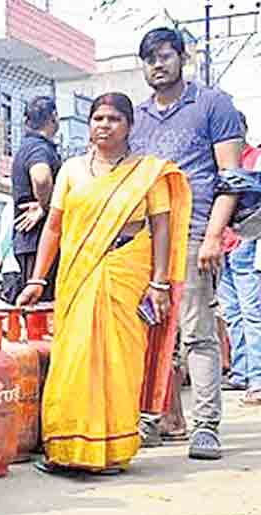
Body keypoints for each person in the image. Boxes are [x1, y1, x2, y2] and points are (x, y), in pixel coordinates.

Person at [18, 93, 191, 475]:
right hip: (78, 273)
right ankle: (66, 450)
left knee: (118, 359)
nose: (104, 125)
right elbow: (54, 226)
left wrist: (160, 283)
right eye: (97, 118)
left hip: (125, 269)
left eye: (113, 118)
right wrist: (36, 278)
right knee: (72, 357)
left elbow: (161, 227)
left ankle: (111, 451)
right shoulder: (71, 171)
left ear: (129, 125)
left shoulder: (147, 172)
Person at [131, 27, 244, 460]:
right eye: (149, 59)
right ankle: (153, 420)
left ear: (182, 57)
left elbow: (230, 177)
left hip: (196, 232)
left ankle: (206, 426)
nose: (157, 65)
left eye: (164, 56)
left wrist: (215, 235)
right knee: (150, 333)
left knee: (197, 333)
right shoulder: (136, 117)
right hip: (144, 238)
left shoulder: (213, 105)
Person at [219, 138, 261, 403]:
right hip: (220, 243)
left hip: (245, 241)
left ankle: (256, 379)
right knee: (232, 313)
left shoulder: (254, 158)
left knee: (250, 311)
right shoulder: (219, 161)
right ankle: (241, 372)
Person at [10, 96, 62, 301]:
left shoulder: (27, 146)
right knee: (41, 308)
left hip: (30, 241)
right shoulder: (39, 148)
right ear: (54, 118)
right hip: (39, 241)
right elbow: (41, 178)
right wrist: (47, 206)